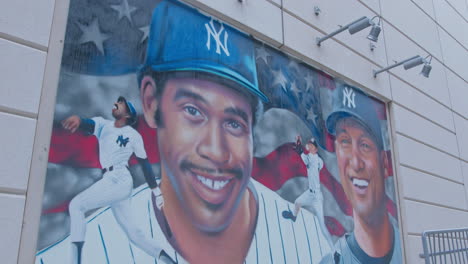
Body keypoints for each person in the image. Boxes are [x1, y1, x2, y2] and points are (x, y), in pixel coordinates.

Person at [62, 96, 166, 264]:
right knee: (134, 234)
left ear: (128, 115)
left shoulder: (133, 135)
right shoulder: (104, 125)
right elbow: (88, 124)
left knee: (76, 205)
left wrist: (157, 192)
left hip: (120, 178)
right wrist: (79, 120)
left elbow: (145, 164)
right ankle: (168, 260)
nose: (116, 103)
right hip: (111, 179)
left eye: (121, 103)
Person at [322, 85, 402, 263]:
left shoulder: (408, 247)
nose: (356, 163)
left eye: (365, 145)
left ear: (385, 164)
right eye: (345, 142)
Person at [282, 136, 335, 251]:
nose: (310, 146)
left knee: (322, 226)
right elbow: (310, 160)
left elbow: (308, 158)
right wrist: (300, 148)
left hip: (316, 197)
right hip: (309, 193)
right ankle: (294, 217)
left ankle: (334, 251)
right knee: (297, 202)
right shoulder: (316, 159)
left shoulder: (313, 157)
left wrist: (300, 148)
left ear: (315, 149)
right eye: (310, 144)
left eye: (312, 145)